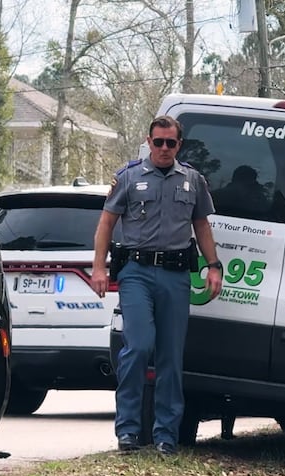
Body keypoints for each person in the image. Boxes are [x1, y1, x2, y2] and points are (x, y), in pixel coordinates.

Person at [90, 115, 223, 456]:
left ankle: (166, 435)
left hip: (176, 276)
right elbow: (106, 223)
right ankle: (129, 431)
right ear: (149, 142)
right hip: (136, 272)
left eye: (171, 143)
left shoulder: (192, 180)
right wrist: (99, 268)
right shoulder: (129, 177)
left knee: (170, 356)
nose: (164, 148)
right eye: (158, 142)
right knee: (138, 346)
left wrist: (213, 266)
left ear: (179, 145)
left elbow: (202, 225)